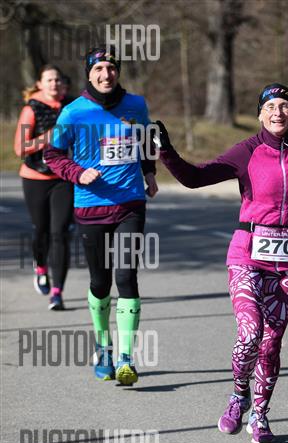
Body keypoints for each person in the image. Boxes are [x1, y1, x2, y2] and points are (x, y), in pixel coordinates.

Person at [154, 83, 288, 443]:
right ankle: (238, 393)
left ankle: (260, 415)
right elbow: (196, 177)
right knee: (249, 334)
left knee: (271, 343)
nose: (278, 113)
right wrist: (165, 150)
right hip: (247, 255)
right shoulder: (246, 151)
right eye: (270, 107)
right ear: (260, 114)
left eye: (285, 106)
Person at [44, 47, 158, 385]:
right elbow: (52, 154)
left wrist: (149, 173)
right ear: (89, 73)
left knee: (126, 277)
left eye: (111, 68)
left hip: (130, 203)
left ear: (117, 72)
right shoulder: (73, 112)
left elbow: (146, 140)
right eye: (99, 69)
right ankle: (103, 346)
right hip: (91, 206)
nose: (106, 74)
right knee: (100, 281)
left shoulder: (136, 105)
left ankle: (126, 357)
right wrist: (77, 173)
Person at [14, 65, 74, 310]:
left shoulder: (73, 107)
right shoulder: (32, 109)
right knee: (42, 230)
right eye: (49, 80)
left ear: (64, 83)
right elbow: (20, 148)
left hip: (64, 178)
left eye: (58, 79)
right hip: (35, 177)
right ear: (40, 84)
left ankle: (57, 292)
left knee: (60, 232)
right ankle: (40, 266)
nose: (54, 84)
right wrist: (51, 135)